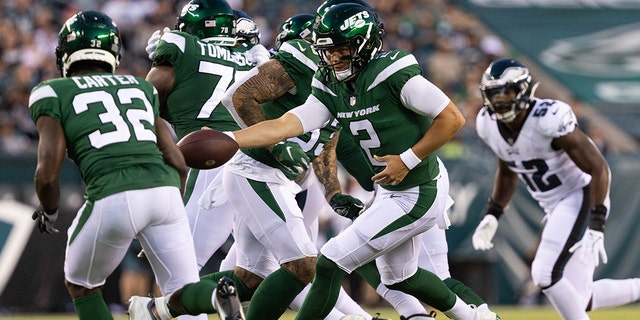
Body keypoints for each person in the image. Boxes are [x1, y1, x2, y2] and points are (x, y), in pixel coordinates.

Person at [221, 3, 499, 320]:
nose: (334, 58)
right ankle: (476, 317)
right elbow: (287, 124)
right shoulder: (330, 85)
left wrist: (407, 159)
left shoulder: (393, 73)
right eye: (327, 50)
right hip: (391, 190)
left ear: (363, 44)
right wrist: (231, 138)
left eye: (341, 50)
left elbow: (453, 118)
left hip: (418, 187)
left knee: (330, 261)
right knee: (401, 277)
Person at [28, 10, 243, 320]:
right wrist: (173, 210)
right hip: (166, 192)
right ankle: (215, 295)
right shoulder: (138, 88)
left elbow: (47, 173)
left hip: (113, 192)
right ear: (115, 52)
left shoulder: (51, 92)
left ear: (65, 54)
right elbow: (176, 159)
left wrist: (49, 210)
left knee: (83, 287)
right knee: (181, 291)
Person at [471, 57, 640, 320]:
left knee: (544, 274)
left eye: (507, 90)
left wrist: (597, 222)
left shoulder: (547, 118)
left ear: (524, 90)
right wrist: (493, 213)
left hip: (580, 194)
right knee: (580, 298)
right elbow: (507, 171)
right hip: (555, 205)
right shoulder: (488, 124)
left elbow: (599, 168)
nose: (501, 99)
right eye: (494, 92)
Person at [143, 0, 276, 274]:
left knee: (178, 268)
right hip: (256, 160)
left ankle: (162, 312)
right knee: (263, 268)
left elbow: (141, 105)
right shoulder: (253, 57)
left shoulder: (182, 47)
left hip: (210, 159)